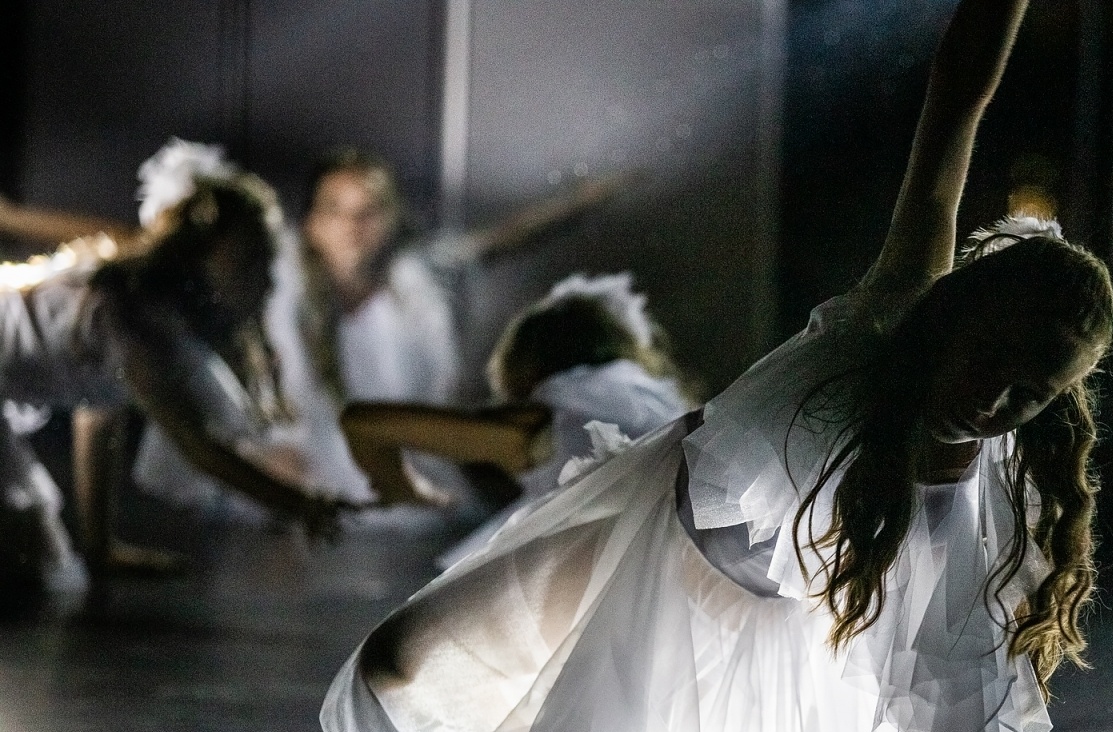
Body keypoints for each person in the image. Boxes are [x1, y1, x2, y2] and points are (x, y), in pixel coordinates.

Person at [322, 0, 1113, 732]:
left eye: (1034, 394)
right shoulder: (898, 301)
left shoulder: (942, 503)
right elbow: (955, 105)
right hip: (647, 510)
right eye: (994, 362)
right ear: (959, 315)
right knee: (397, 668)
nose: (998, 398)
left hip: (715, 619)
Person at [0, 167, 345, 595]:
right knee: (28, 559)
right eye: (250, 260)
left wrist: (99, 547)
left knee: (33, 560)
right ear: (201, 252)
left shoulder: (154, 318)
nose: (265, 278)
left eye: (266, 261)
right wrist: (299, 504)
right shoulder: (129, 315)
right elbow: (197, 444)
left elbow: (98, 414)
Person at [254, 149, 625, 504]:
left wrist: (592, 196)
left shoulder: (416, 283)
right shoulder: (274, 286)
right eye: (335, 210)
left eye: (368, 212)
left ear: (391, 219)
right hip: (306, 468)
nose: (352, 226)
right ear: (312, 221)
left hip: (406, 474)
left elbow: (503, 239)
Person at [337, 272, 690, 568]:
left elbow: (364, 423)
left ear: (524, 364)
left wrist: (402, 485)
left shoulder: (560, 415)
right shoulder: (660, 403)